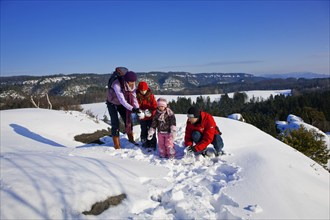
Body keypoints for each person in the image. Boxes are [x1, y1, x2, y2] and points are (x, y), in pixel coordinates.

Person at [106, 70, 140, 149]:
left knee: (128, 120)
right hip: (112, 103)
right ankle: (117, 145)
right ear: (126, 80)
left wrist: (137, 107)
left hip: (121, 104)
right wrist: (132, 108)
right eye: (131, 81)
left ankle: (131, 139)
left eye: (134, 81)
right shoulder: (116, 84)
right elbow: (122, 100)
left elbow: (134, 96)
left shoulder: (132, 84)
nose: (132, 83)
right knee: (115, 123)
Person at [136, 81, 158, 149]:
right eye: (141, 90)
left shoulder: (151, 96)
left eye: (144, 90)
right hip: (142, 118)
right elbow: (136, 106)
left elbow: (155, 106)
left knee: (151, 130)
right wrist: (139, 111)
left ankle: (152, 143)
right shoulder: (137, 96)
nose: (143, 92)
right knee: (143, 130)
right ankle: (144, 142)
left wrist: (151, 111)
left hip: (150, 117)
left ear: (147, 89)